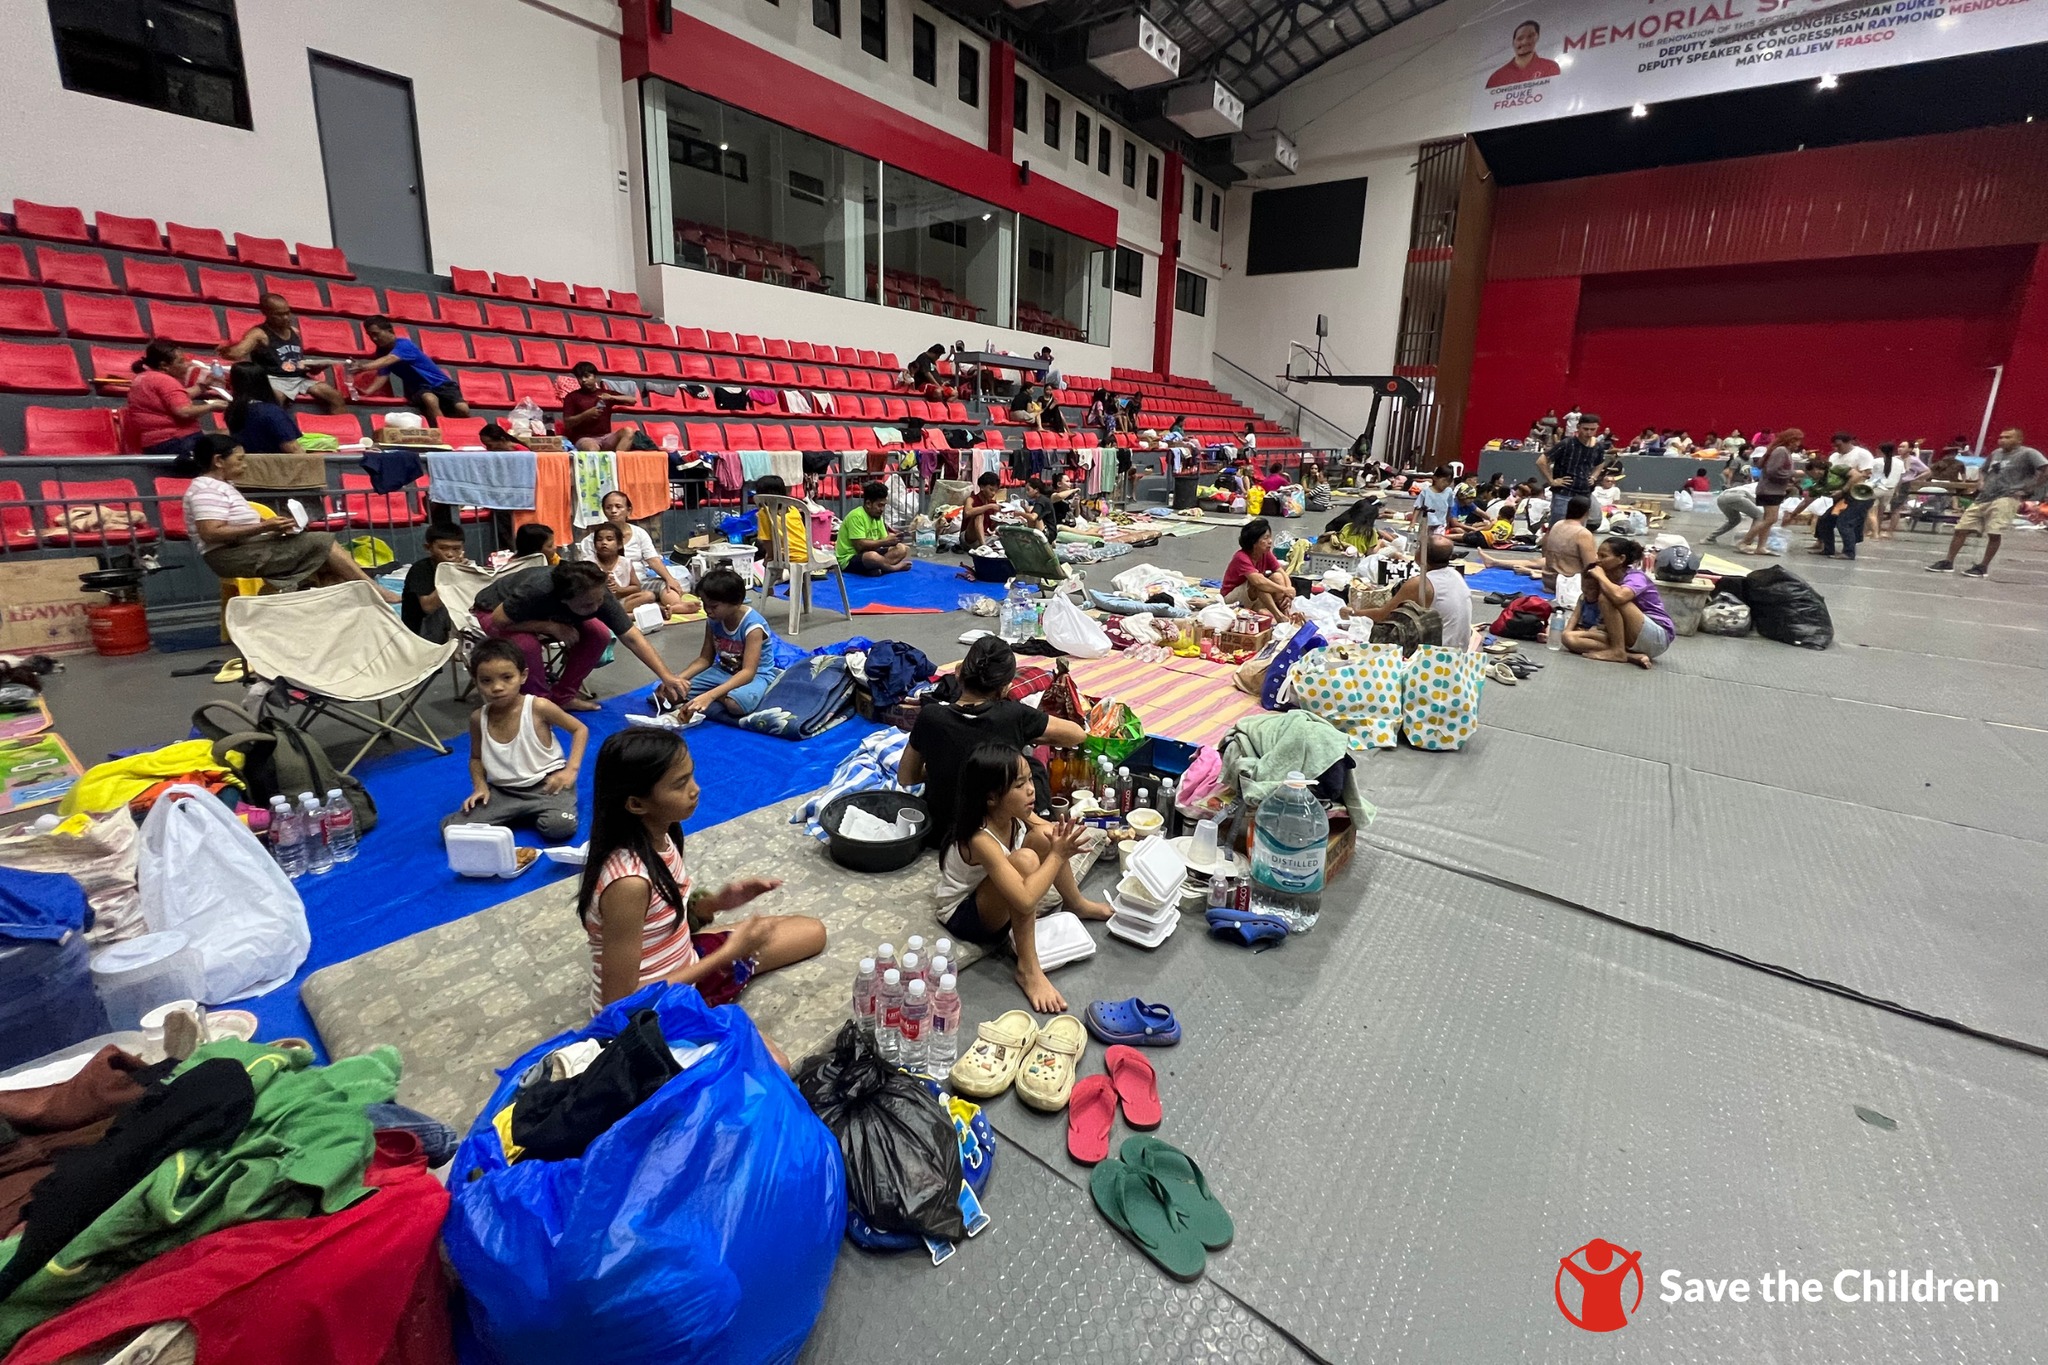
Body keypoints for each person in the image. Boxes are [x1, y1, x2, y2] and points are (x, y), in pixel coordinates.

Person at [578, 728, 825, 1056]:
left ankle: (715, 977)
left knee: (812, 932)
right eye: (680, 784)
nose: (695, 790)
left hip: (685, 962)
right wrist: (728, 954)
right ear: (636, 804)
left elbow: (665, 918)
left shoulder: (661, 836)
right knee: (775, 1064)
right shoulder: (628, 884)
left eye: (690, 776)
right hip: (650, 1014)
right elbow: (619, 1004)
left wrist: (718, 903)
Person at [931, 743, 1110, 1014]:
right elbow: (1026, 901)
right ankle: (1028, 969)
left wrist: (1064, 840)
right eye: (1019, 785)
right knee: (1026, 860)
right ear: (991, 798)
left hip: (992, 894)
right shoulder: (980, 838)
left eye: (1029, 780)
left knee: (1046, 837)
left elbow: (1049, 833)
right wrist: (1058, 856)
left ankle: (1076, 903)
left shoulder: (1015, 812)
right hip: (965, 915)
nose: (1031, 789)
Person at [899, 636, 1088, 846]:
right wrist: (1029, 732)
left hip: (941, 832)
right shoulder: (1014, 715)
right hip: (994, 834)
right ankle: (1041, 819)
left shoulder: (930, 716)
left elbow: (906, 777)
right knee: (1030, 764)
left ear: (959, 673)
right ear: (1005, 688)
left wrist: (944, 765)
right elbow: (1078, 734)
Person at [174, 434, 397, 599]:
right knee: (321, 541)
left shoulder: (223, 486)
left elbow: (242, 523)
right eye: (240, 459)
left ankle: (340, 606)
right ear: (218, 461)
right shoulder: (206, 490)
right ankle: (373, 590)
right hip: (229, 555)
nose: (244, 464)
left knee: (325, 562)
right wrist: (265, 527)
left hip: (246, 546)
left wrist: (275, 526)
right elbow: (211, 532)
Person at [473, 559, 688, 711]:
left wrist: (666, 676)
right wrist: (550, 627)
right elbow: (499, 620)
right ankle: (542, 704)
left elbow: (631, 636)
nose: (596, 606)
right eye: (588, 604)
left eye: (599, 601)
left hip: (548, 616)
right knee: (527, 645)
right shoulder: (538, 590)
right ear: (565, 601)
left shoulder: (596, 592)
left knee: (600, 634)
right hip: (495, 610)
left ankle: (564, 696)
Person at [444, 638, 588, 844]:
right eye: (486, 681)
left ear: (523, 676)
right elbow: (476, 758)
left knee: (559, 827)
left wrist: (570, 770)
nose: (497, 687)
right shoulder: (478, 718)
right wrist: (480, 787)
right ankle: (513, 814)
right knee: (451, 830)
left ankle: (513, 817)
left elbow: (579, 729)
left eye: (507, 677)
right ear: (475, 681)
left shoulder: (538, 707)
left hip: (547, 786)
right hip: (505, 793)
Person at [1928, 427, 2047, 578]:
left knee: (1994, 532)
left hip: (2006, 497)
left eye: (2007, 437)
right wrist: (1981, 482)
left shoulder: (2028, 453)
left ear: (2018, 440)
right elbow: (1983, 469)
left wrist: (2028, 488)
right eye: (2001, 437)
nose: (2002, 440)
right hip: (1984, 497)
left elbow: (2045, 469)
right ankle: (1948, 562)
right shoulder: (1996, 453)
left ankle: (1982, 566)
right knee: (1961, 528)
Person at [672, 567, 781, 723]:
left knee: (735, 704)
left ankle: (720, 694)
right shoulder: (713, 620)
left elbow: (748, 672)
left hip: (755, 675)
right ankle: (721, 692)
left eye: (714, 606)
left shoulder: (753, 627)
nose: (708, 611)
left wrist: (710, 695)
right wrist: (677, 679)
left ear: (736, 603)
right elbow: (704, 659)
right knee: (674, 693)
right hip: (724, 670)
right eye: (704, 604)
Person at [221, 294, 346, 414]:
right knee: (275, 399)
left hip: (299, 378)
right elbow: (239, 353)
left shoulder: (295, 332)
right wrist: (227, 350)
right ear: (266, 314)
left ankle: (343, 433)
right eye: (279, 315)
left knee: (335, 396)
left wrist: (315, 369)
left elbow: (297, 363)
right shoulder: (259, 334)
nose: (286, 317)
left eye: (287, 312)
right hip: (273, 378)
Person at [1565, 537, 1673, 669]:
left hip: (1657, 636)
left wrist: (1601, 576)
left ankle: (1617, 651)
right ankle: (1629, 656)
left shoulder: (1636, 577)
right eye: (1598, 555)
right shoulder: (1608, 580)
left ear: (1621, 559)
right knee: (1569, 638)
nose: (1598, 560)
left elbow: (1619, 597)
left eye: (1603, 556)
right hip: (1632, 639)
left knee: (1608, 597)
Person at [1353, 535, 1472, 649]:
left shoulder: (1421, 584)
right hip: (1459, 648)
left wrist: (1353, 612)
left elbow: (1383, 615)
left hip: (1436, 653)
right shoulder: (1455, 574)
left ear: (1421, 555)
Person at [578, 489, 684, 610]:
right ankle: (651, 609)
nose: (613, 511)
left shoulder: (639, 533)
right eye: (608, 507)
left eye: (618, 507)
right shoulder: (591, 540)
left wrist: (670, 579)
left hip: (639, 583)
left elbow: (653, 560)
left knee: (665, 586)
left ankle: (674, 607)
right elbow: (588, 569)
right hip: (607, 586)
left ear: (628, 510)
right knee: (645, 597)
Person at [351, 317, 469, 424]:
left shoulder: (404, 345)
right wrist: (368, 391)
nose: (374, 338)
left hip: (442, 384)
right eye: (369, 335)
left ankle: (451, 424)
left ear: (390, 331)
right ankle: (444, 430)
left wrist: (363, 367)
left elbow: (389, 359)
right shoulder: (381, 352)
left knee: (462, 409)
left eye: (376, 334)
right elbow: (383, 374)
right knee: (430, 399)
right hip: (418, 388)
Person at [125, 340, 226, 456]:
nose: (187, 365)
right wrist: (211, 407)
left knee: (222, 435)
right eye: (181, 362)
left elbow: (175, 397)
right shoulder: (165, 380)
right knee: (230, 447)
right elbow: (184, 412)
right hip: (176, 442)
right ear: (164, 365)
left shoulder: (144, 378)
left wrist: (203, 386)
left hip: (156, 444)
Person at [1738, 427, 1803, 556]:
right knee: (1771, 519)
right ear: (1790, 440)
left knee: (1768, 519)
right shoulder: (1781, 451)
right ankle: (1744, 542)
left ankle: (1761, 546)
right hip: (1770, 490)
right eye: (1797, 441)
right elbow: (1773, 471)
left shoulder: (1782, 451)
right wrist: (1793, 473)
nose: (1798, 444)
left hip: (1773, 489)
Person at [1811, 430, 1875, 559]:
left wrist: (1845, 486)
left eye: (1839, 445)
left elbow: (1865, 474)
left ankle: (1849, 552)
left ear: (1849, 442)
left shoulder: (1862, 454)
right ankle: (1828, 549)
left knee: (1845, 522)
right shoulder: (1834, 457)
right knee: (1825, 520)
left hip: (1858, 495)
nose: (1836, 448)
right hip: (1841, 495)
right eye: (1834, 446)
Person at [401, 522, 469, 641]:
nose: (450, 554)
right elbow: (428, 607)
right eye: (443, 548)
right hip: (422, 634)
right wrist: (451, 574)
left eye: (456, 549)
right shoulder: (421, 569)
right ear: (428, 548)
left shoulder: (465, 567)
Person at [1536, 412, 1604, 526]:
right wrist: (1552, 481)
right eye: (1585, 429)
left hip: (1584, 493)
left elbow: (1600, 463)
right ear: (1578, 427)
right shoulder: (1567, 443)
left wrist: (1594, 476)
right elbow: (1541, 461)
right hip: (1564, 492)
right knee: (1558, 527)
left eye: (1592, 429)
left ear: (1597, 429)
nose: (1589, 432)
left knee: (1578, 529)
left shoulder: (1598, 446)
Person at [223, 361, 304, 454]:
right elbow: (292, 448)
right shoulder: (271, 412)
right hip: (274, 465)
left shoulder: (232, 411)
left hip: (248, 464)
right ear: (263, 382)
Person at [1223, 519, 1295, 619]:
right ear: (1254, 542)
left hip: (1253, 598)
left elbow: (1280, 571)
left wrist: (1289, 591)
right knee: (1258, 583)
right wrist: (1285, 590)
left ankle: (1284, 611)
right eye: (1265, 538)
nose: (1270, 541)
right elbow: (1258, 582)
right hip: (1232, 599)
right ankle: (1278, 616)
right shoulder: (1241, 557)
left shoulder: (1266, 553)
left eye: (1270, 537)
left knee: (1277, 577)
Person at [837, 480, 912, 575]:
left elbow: (884, 540)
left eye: (884, 506)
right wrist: (885, 541)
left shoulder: (877, 516)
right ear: (868, 504)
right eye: (880, 505)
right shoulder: (856, 516)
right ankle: (892, 568)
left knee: (902, 548)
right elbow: (860, 546)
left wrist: (894, 539)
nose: (882, 510)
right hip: (850, 558)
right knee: (872, 557)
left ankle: (877, 567)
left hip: (871, 552)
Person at [558, 362, 629, 451]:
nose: (583, 380)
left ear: (595, 377)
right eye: (580, 377)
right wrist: (586, 414)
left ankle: (617, 462)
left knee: (628, 432)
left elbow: (632, 400)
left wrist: (611, 397)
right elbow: (567, 423)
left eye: (587, 376)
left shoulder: (605, 393)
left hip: (606, 437)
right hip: (584, 438)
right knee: (592, 448)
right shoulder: (571, 397)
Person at [752, 474, 813, 568]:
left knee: (765, 561)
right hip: (807, 553)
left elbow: (767, 541)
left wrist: (769, 558)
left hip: (788, 556)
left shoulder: (764, 513)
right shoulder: (794, 509)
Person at [1487, 19, 1561, 86]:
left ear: (1537, 37)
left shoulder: (1550, 67)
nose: (1524, 42)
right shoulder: (1497, 77)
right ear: (1513, 42)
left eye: (1530, 36)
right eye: (1520, 38)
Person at [1703, 462, 1761, 546]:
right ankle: (1746, 542)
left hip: (1722, 497)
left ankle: (1710, 538)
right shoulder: (1765, 487)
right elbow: (1758, 502)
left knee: (1735, 520)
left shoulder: (1752, 485)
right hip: (1737, 496)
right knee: (1759, 516)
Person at [1871, 442, 1909, 539]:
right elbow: (1900, 478)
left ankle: (1873, 533)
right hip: (1890, 489)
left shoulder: (1876, 461)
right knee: (1881, 512)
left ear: (1879, 450)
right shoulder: (1900, 462)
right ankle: (1878, 530)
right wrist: (1897, 490)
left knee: (1871, 512)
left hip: (1876, 488)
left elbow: (1869, 474)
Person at [960, 471, 1003, 551]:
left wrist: (999, 520)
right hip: (968, 538)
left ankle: (984, 545)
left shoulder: (993, 503)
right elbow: (967, 513)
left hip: (984, 536)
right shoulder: (971, 499)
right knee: (979, 515)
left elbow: (991, 528)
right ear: (982, 487)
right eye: (991, 490)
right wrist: (989, 506)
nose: (993, 493)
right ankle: (984, 548)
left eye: (995, 491)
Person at [1413, 467, 1454, 532]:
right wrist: (1413, 523)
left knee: (1436, 540)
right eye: (1444, 480)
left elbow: (1450, 508)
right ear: (1435, 478)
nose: (1446, 483)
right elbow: (1418, 507)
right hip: (1426, 522)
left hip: (1441, 523)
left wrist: (1448, 523)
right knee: (1423, 540)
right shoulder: (1426, 491)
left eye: (1449, 481)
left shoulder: (1449, 492)